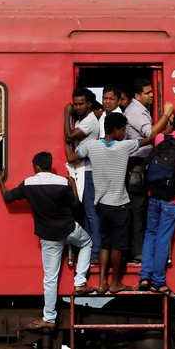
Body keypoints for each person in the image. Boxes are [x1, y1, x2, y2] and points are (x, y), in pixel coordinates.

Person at [0, 152, 94, 330]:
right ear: (49, 165)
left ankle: (49, 318)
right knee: (87, 243)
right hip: (68, 229)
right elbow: (76, 207)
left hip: (48, 236)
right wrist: (73, 184)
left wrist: (0, 181)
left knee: (50, 279)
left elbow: (8, 197)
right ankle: (80, 282)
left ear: (36, 166)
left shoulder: (28, 184)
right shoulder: (62, 182)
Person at [64, 112, 155, 294]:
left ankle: (102, 282)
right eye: (123, 129)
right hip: (120, 204)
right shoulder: (124, 146)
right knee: (118, 246)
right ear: (116, 130)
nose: (125, 133)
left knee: (105, 244)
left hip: (101, 205)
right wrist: (166, 124)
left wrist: (67, 138)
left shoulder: (91, 145)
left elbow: (71, 158)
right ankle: (115, 283)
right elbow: (150, 138)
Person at [137, 109, 175, 298]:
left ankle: (144, 277)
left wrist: (170, 122)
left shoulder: (160, 140)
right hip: (172, 200)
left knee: (150, 234)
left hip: (153, 195)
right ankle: (159, 280)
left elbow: (163, 134)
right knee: (163, 238)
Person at [124, 78, 174, 262]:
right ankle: (137, 251)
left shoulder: (139, 109)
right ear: (137, 96)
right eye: (147, 93)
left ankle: (139, 249)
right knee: (138, 209)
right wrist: (166, 115)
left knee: (141, 208)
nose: (152, 95)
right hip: (137, 165)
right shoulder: (136, 111)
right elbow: (151, 134)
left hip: (142, 164)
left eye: (152, 92)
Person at [64, 88, 101, 264]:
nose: (77, 107)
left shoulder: (89, 121)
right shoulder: (83, 119)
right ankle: (89, 248)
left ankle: (96, 251)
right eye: (75, 104)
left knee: (91, 213)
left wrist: (65, 115)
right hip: (83, 170)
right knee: (85, 212)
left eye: (81, 104)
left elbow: (70, 136)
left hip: (89, 171)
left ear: (89, 104)